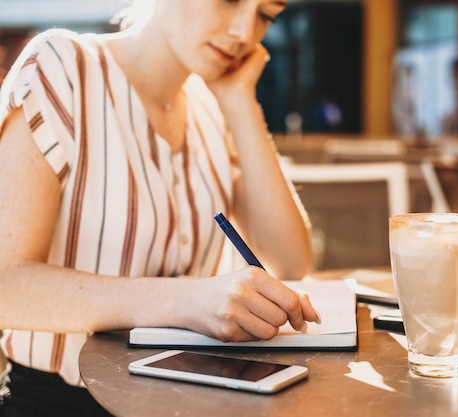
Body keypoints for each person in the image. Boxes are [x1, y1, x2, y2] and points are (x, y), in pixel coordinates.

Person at [0, 0, 319, 415]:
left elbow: (291, 260)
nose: (244, 33)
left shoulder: (210, 109)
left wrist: (241, 102)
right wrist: (189, 301)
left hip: (187, 400)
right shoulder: (63, 67)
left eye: (266, 15)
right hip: (61, 403)